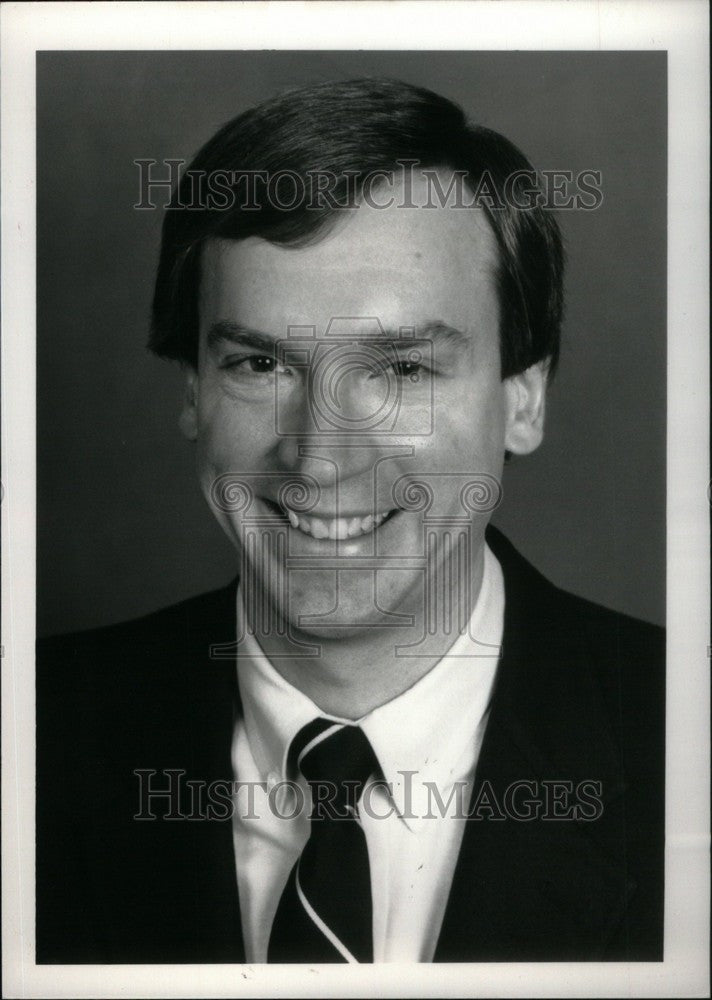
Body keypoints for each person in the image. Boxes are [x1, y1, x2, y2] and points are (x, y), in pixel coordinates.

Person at [36, 78, 664, 964]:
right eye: (260, 363)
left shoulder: (684, 744)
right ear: (195, 393)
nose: (320, 456)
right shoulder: (29, 734)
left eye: (403, 370)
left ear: (522, 397)